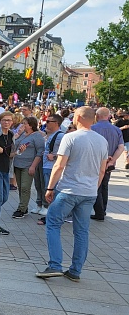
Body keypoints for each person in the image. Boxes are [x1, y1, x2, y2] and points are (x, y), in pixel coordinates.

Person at [37, 107, 108, 281]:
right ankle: (75, 270)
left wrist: (50, 187)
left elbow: (59, 165)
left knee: (53, 223)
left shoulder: (70, 137)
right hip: (89, 192)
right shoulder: (102, 141)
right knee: (82, 231)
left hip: (69, 189)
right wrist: (94, 188)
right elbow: (102, 170)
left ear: (78, 117)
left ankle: (55, 265)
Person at [90, 107, 124, 221]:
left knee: (96, 186)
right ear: (109, 116)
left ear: (97, 116)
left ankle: (99, 212)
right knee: (104, 186)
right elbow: (120, 147)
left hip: (95, 162)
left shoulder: (92, 129)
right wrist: (112, 161)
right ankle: (103, 210)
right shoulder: (116, 130)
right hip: (109, 163)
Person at [11, 116, 45, 219]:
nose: (22, 125)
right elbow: (15, 146)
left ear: (30, 125)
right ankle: (24, 206)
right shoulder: (22, 135)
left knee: (25, 187)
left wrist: (33, 166)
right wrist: (17, 135)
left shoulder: (37, 136)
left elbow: (40, 152)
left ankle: (21, 208)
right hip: (18, 163)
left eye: (24, 123)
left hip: (28, 165)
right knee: (21, 187)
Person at [37, 114, 65, 225]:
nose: (46, 123)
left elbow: (67, 153)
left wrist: (54, 156)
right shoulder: (51, 135)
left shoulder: (61, 136)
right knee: (47, 190)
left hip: (52, 167)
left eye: (48, 121)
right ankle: (51, 215)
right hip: (47, 166)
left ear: (56, 123)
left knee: (52, 192)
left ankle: (53, 217)